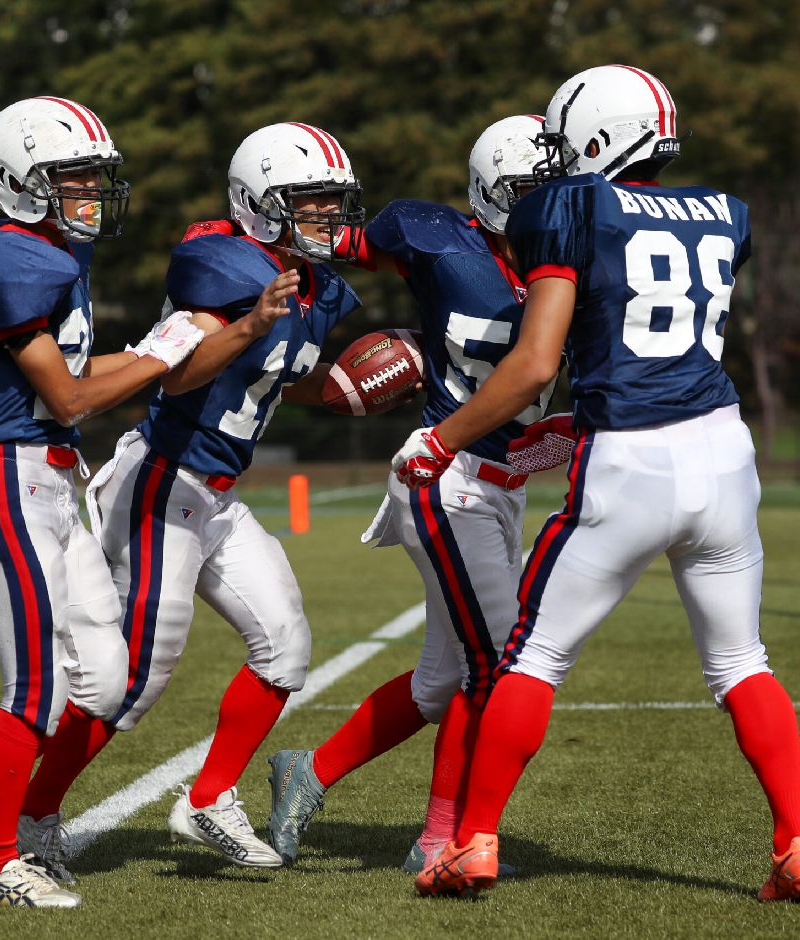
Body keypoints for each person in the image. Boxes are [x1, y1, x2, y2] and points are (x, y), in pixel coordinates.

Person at [395, 65, 800, 903]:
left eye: (566, 143)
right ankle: (798, 843)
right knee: (742, 660)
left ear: (598, 138)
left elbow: (533, 365)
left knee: (531, 655)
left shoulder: (571, 207)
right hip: (725, 452)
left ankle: (472, 844)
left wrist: (439, 441)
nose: (557, 163)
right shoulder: (723, 211)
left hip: (631, 455)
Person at [34, 123, 364, 869]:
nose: (327, 217)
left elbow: (283, 371)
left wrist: (350, 389)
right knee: (134, 679)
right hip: (163, 477)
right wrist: (250, 322)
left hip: (217, 494)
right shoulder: (221, 262)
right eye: (309, 202)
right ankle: (29, 814)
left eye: (331, 202)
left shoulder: (319, 285)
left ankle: (209, 799)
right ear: (260, 204)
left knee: (286, 649)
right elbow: (180, 375)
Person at [0, 97, 207, 908]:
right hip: (11, 477)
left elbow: (79, 394)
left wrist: (164, 352)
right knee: (37, 690)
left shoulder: (51, 255)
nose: (89, 191)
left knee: (105, 682)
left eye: (91, 176)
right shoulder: (3, 259)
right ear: (19, 182)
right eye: (71, 176)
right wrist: (159, 352)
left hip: (57, 480)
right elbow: (70, 396)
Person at [263, 116, 564, 872]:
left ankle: (311, 769)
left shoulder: (574, 260)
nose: (547, 208)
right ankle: (443, 835)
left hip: (506, 485)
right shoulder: (433, 238)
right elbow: (324, 239)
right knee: (501, 664)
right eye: (532, 193)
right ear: (493, 195)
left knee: (442, 677)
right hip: (445, 475)